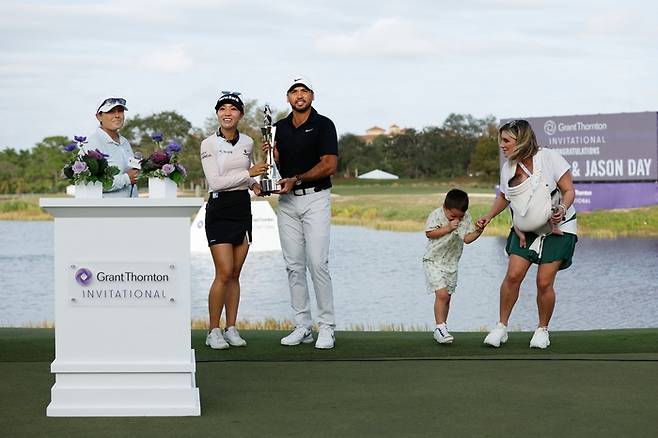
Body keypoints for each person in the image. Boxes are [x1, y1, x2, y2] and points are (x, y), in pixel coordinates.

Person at [477, 119, 577, 349]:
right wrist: (488, 216)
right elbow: (504, 197)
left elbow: (568, 190)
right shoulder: (508, 168)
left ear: (521, 140)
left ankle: (542, 330)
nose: (502, 146)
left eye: (506, 141)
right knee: (513, 276)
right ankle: (501, 327)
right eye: (500, 141)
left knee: (543, 282)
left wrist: (561, 209)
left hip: (558, 229)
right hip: (525, 230)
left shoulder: (550, 158)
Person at [263, 75, 338, 349]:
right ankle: (302, 325)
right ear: (288, 98)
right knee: (294, 265)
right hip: (287, 202)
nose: (299, 95)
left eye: (304, 90)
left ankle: (327, 326)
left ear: (312, 96)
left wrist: (298, 178)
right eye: (294, 91)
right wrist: (272, 156)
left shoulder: (324, 125)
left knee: (317, 263)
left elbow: (329, 165)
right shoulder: (280, 127)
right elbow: (278, 163)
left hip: (315, 198)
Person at [200, 91, 268, 350]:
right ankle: (213, 330)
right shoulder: (208, 144)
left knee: (236, 273)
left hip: (242, 207)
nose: (227, 113)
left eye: (233, 109)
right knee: (224, 271)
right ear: (217, 113)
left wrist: (254, 184)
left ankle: (231, 327)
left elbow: (245, 178)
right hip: (219, 207)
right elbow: (215, 181)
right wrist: (247, 174)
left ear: (240, 114)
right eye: (223, 109)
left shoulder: (248, 142)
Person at [423, 189, 483, 344]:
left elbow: (467, 239)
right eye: (453, 216)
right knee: (441, 295)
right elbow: (429, 233)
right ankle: (440, 327)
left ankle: (442, 329)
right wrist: (448, 227)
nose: (457, 219)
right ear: (445, 207)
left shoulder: (465, 219)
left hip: (451, 263)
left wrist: (479, 231)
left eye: (460, 216)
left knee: (447, 298)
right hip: (433, 260)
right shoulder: (436, 214)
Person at [85, 97, 139, 197]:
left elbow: (132, 174)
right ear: (99, 116)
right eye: (111, 111)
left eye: (120, 111)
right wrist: (126, 179)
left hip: (131, 208)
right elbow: (89, 184)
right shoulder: (91, 144)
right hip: (108, 210)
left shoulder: (125, 142)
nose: (117, 115)